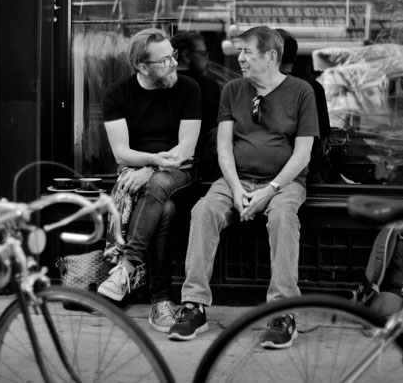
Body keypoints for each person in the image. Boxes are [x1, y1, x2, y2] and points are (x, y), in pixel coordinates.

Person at [169, 26, 318, 348]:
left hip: (285, 181)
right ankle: (194, 305)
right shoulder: (233, 90)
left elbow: (303, 153)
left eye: (247, 52)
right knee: (204, 210)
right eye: (240, 52)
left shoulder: (301, 91)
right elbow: (224, 147)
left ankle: (283, 312)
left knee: (282, 218)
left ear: (271, 56)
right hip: (237, 177)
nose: (240, 58)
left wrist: (269, 190)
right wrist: (236, 189)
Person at [97, 28, 201, 332]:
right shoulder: (117, 94)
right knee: (164, 210)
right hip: (137, 171)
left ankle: (127, 265)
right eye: (165, 60)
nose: (173, 64)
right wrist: (153, 161)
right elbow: (121, 152)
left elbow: (186, 148)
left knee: (157, 185)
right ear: (143, 67)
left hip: (182, 172)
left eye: (174, 56)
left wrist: (153, 169)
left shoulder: (188, 88)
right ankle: (160, 302)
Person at [277, 28, 331, 183]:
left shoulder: (252, 88)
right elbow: (322, 139)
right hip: (304, 175)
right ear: (294, 57)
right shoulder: (312, 88)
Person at [172, 31, 221, 170]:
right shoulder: (208, 87)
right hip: (199, 164)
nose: (207, 60)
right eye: (203, 54)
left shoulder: (157, 85)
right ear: (186, 55)